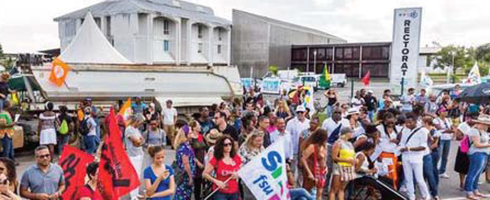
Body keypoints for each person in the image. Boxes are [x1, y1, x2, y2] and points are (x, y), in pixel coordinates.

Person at [399, 112, 430, 200]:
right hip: (405, 157)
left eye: (410, 122)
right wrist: (400, 148)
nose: (408, 124)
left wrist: (408, 149)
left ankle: (426, 196)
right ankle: (411, 196)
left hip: (416, 158)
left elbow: (423, 147)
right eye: (406, 122)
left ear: (415, 122)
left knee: (419, 179)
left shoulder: (423, 131)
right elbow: (402, 143)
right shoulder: (405, 130)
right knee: (408, 178)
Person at [203, 135, 242, 200]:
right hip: (220, 192)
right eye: (225, 145)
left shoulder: (236, 158)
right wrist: (216, 181)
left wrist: (237, 175)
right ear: (221, 146)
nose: (228, 146)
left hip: (234, 191)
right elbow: (204, 174)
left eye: (230, 144)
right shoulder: (216, 159)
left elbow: (241, 171)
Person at [464, 114, 490, 200]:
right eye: (486, 123)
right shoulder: (474, 131)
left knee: (477, 174)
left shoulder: (483, 131)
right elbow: (477, 144)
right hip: (477, 153)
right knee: (473, 173)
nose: (487, 125)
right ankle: (469, 192)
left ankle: (475, 190)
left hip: (483, 153)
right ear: (481, 123)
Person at [329, 127, 356, 200]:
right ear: (346, 133)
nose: (352, 134)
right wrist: (346, 160)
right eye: (350, 132)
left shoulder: (350, 144)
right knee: (334, 189)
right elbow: (334, 157)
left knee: (342, 189)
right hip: (339, 167)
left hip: (348, 167)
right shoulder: (338, 143)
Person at [301, 129, 328, 200]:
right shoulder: (312, 147)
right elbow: (303, 158)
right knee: (307, 191)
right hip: (313, 170)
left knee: (319, 192)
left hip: (321, 172)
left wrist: (325, 168)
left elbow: (324, 158)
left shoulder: (324, 146)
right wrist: (309, 172)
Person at [376, 112, 401, 188]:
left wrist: (396, 141)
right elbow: (376, 142)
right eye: (388, 122)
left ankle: (393, 190)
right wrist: (377, 155)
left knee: (393, 174)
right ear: (384, 121)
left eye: (392, 122)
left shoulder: (398, 128)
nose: (391, 123)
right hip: (382, 154)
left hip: (393, 154)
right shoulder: (379, 128)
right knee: (384, 174)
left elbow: (400, 141)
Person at [286, 106, 310, 183]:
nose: (300, 114)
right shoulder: (291, 123)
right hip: (293, 150)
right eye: (298, 112)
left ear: (305, 112)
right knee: (292, 169)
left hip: (304, 150)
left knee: (302, 169)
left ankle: (300, 185)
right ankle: (291, 186)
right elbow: (287, 136)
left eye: (301, 112)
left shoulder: (308, 122)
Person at [454, 112, 478, 190]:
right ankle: (462, 183)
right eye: (473, 118)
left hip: (474, 149)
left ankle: (470, 182)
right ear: (468, 118)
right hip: (464, 148)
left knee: (472, 166)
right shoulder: (463, 125)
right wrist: (468, 136)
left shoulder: (477, 126)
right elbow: (457, 137)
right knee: (462, 167)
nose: (475, 120)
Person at [124, 114, 146, 199]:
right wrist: (140, 141)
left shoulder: (136, 129)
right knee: (133, 175)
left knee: (138, 175)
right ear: (136, 121)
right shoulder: (129, 129)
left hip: (139, 154)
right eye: (140, 122)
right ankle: (132, 195)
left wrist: (140, 141)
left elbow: (142, 140)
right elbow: (136, 143)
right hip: (132, 155)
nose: (141, 124)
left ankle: (136, 193)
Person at [238, 130, 264, 200]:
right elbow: (240, 163)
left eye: (261, 140)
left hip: (260, 179)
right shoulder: (244, 148)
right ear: (252, 140)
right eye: (257, 141)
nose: (260, 143)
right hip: (248, 179)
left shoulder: (261, 148)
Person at [173, 125, 196, 200]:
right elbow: (186, 164)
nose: (192, 134)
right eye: (190, 133)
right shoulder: (184, 147)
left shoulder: (184, 146)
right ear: (186, 135)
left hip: (183, 175)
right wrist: (190, 177)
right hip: (185, 176)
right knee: (183, 195)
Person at [433, 106, 455, 179]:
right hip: (440, 139)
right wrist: (451, 131)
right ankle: (434, 170)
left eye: (446, 111)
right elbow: (439, 128)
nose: (446, 112)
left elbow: (452, 127)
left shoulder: (448, 119)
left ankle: (442, 171)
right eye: (444, 111)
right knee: (438, 156)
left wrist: (453, 130)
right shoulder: (436, 120)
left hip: (447, 139)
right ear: (439, 112)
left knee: (445, 156)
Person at [422, 116, 440, 200]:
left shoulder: (433, 131)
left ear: (426, 123)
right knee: (426, 173)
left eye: (422, 122)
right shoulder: (426, 130)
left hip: (433, 153)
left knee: (431, 172)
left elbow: (435, 144)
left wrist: (426, 150)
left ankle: (434, 191)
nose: (421, 124)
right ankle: (426, 191)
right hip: (429, 153)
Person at [188, 121, 207, 200]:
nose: (200, 127)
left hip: (203, 160)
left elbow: (203, 147)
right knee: (197, 182)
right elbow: (190, 153)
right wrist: (198, 162)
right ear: (194, 127)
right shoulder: (190, 138)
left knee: (204, 181)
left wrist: (206, 159)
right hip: (195, 162)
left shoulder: (200, 136)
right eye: (198, 125)